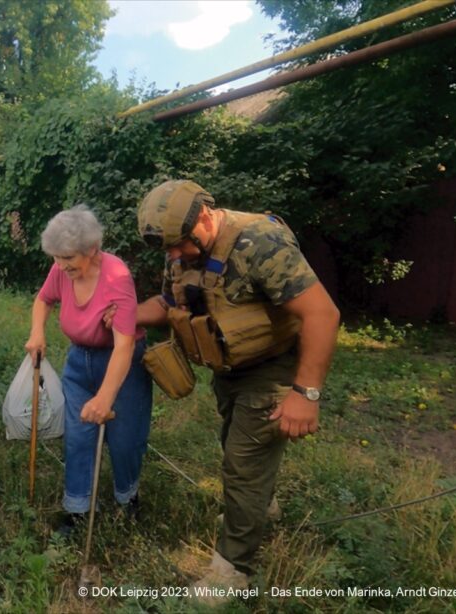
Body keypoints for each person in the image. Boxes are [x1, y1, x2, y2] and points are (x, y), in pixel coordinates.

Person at [124, 180, 340, 603]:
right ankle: (262, 507)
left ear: (204, 215)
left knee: (242, 464)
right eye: (167, 249)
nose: (173, 255)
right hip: (229, 369)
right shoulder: (180, 253)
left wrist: (305, 393)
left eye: (180, 244)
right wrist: (124, 316)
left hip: (273, 368)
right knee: (235, 448)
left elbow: (321, 313)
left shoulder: (259, 241)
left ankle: (232, 570)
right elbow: (169, 305)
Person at [24, 205, 153, 533]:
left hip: (122, 364)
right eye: (55, 257)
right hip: (78, 362)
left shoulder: (116, 276)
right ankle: (78, 509)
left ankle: (128, 499)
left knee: (125, 439)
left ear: (93, 249)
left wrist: (105, 398)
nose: (60, 265)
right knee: (79, 437)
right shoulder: (61, 269)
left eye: (67, 258)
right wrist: (37, 332)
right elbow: (43, 300)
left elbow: (124, 345)